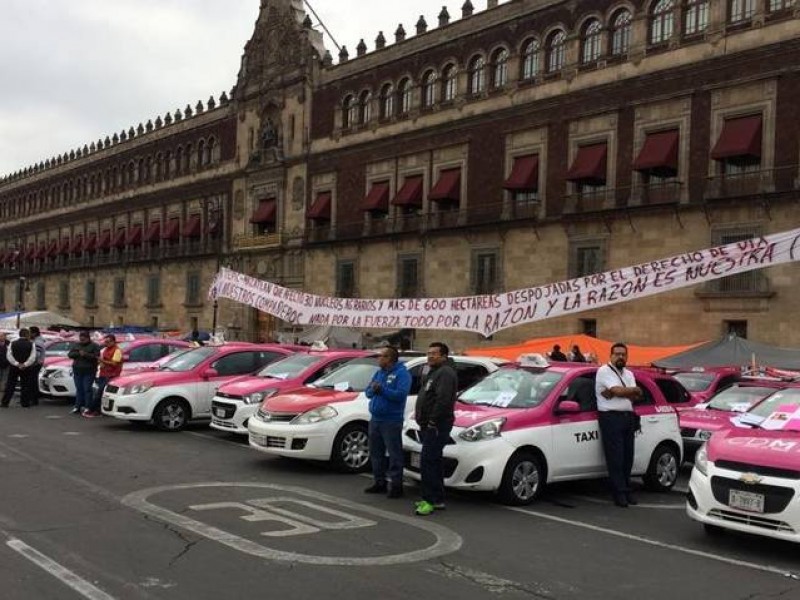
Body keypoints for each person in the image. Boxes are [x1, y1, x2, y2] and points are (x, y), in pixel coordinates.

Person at [595, 342, 642, 508]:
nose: (620, 357)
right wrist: (628, 391)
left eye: (623, 354)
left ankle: (627, 489)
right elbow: (618, 391)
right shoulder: (604, 371)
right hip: (610, 418)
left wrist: (626, 392)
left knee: (628, 456)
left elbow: (637, 396)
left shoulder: (628, 373)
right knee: (616, 457)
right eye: (617, 354)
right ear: (611, 355)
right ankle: (619, 493)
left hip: (627, 417)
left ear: (627, 356)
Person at [413, 342, 458, 516]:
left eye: (434, 353)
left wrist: (432, 420)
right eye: (428, 353)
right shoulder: (435, 371)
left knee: (428, 462)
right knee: (434, 461)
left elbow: (443, 399)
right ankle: (437, 498)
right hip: (430, 425)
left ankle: (429, 500)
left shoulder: (445, 373)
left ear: (444, 356)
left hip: (437, 426)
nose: (430, 356)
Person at [364, 346, 412, 499]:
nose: (379, 358)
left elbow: (400, 395)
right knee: (376, 453)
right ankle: (379, 482)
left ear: (390, 359)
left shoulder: (402, 374)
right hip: (376, 419)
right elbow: (368, 392)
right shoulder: (379, 373)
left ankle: (396, 486)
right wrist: (374, 389)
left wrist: (382, 390)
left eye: (382, 356)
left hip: (391, 420)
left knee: (394, 454)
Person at [86, 334, 123, 418]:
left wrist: (102, 361)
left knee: (100, 393)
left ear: (113, 341)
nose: (106, 343)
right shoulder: (106, 349)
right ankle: (99, 410)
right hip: (103, 373)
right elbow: (103, 360)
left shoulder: (117, 350)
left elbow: (114, 363)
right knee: (101, 393)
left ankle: (92, 410)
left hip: (111, 375)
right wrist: (101, 362)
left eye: (108, 342)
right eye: (105, 342)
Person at [2, 329, 38, 408]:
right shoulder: (31, 344)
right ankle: (25, 403)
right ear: (27, 335)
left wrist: (16, 363)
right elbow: (33, 357)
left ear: (19, 334)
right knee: (25, 385)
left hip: (14, 367)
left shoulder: (13, 343)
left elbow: (9, 355)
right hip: (26, 367)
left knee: (10, 384)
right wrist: (25, 364)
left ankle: (5, 402)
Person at [67, 331, 100, 415]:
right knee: (79, 389)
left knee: (87, 389)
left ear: (88, 338)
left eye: (83, 339)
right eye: (81, 339)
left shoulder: (94, 346)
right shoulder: (76, 345)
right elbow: (70, 354)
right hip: (77, 370)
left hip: (89, 371)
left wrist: (85, 354)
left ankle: (88, 407)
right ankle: (77, 406)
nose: (82, 341)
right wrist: (78, 353)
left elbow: (96, 357)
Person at [28, 326, 46, 406]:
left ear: (34, 333)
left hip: (36, 364)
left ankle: (34, 399)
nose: (29, 334)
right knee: (33, 381)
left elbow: (37, 355)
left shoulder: (38, 342)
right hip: (37, 363)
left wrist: (31, 363)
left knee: (33, 381)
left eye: (30, 332)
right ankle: (32, 398)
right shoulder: (37, 340)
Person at [0, 332, 9, 398]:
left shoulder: (8, 343)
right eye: (1, 336)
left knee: (5, 377)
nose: (1, 337)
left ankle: (3, 389)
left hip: (6, 363)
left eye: (3, 336)